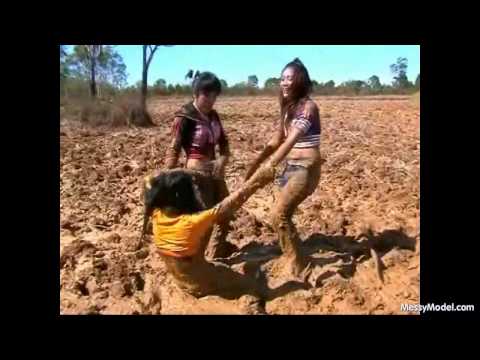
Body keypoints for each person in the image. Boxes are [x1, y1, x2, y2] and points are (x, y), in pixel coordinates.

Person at [142, 163, 278, 300]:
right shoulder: (192, 222)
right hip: (202, 283)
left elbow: (148, 181)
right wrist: (258, 179)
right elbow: (231, 203)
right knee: (253, 285)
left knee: (219, 266)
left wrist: (168, 176)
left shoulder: (157, 215)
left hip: (179, 280)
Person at [244, 58, 321, 278]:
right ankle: (294, 252)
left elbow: (291, 141)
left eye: (289, 78)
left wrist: (269, 166)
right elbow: (278, 139)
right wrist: (256, 162)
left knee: (278, 215)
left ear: (300, 81)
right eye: (282, 78)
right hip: (290, 168)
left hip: (305, 168)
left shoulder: (309, 107)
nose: (285, 83)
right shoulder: (288, 108)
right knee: (279, 215)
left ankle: (298, 263)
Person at [163, 71, 235, 259]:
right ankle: (195, 259)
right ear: (196, 93)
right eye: (207, 95)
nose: (211, 100)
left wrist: (222, 159)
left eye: (214, 96)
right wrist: (167, 178)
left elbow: (224, 143)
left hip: (215, 174)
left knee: (225, 212)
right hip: (195, 174)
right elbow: (174, 148)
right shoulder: (185, 116)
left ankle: (216, 253)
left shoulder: (214, 116)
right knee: (203, 218)